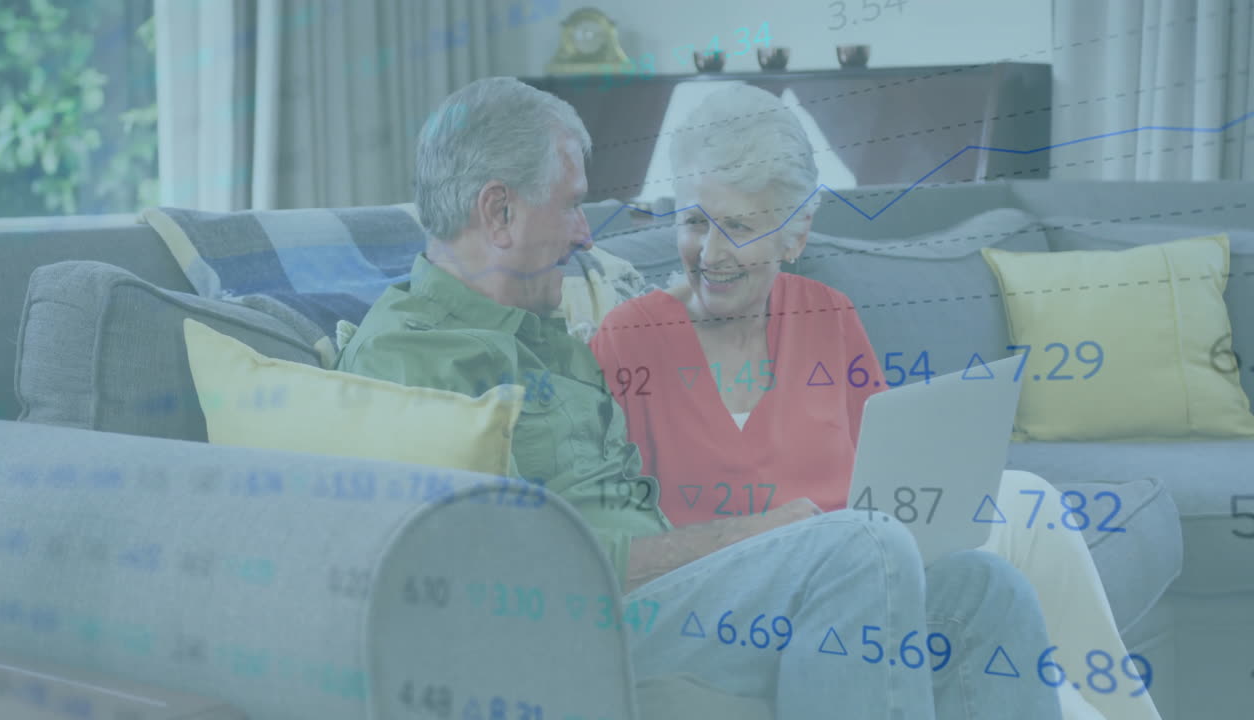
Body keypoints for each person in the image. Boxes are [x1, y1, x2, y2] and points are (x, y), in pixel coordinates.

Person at [337, 76, 1064, 719]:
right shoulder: (411, 357)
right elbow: (503, 572)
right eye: (571, 206)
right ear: (497, 213)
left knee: (980, 589)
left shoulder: (545, 330)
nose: (589, 234)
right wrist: (755, 535)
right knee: (860, 550)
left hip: (674, 592)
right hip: (586, 621)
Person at [589, 83, 1162, 720]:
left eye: (741, 227)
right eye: (696, 221)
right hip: (734, 615)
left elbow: (892, 480)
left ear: (795, 232)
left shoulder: (828, 316)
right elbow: (614, 550)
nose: (712, 253)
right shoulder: (631, 340)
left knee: (990, 585)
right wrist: (768, 535)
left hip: (866, 597)